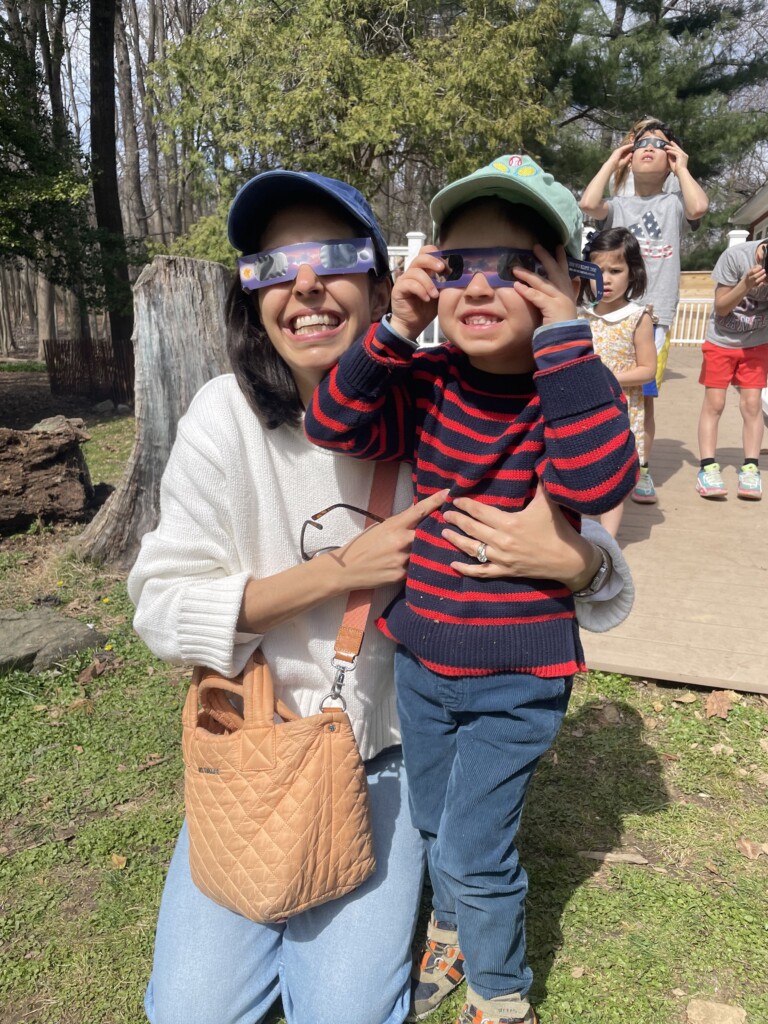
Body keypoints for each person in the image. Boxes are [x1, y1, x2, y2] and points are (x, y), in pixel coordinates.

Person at [127, 167, 635, 1024]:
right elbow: (161, 610)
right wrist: (335, 574)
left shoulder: (431, 396)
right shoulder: (226, 419)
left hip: (391, 751)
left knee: (351, 1011)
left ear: (375, 272)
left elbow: (593, 546)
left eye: (332, 257)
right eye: (273, 268)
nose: (306, 286)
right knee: (192, 1012)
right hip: (262, 749)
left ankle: (476, 952)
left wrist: (578, 563)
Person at [305, 154, 639, 1024]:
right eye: (457, 268)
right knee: (431, 822)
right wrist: (392, 330)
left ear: (564, 286)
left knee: (474, 844)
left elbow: (600, 480)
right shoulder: (428, 381)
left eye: (515, 268)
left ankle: (501, 991)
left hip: (518, 676)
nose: (478, 286)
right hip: (422, 659)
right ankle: (449, 927)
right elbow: (331, 422)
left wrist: (568, 343)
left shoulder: (568, 391)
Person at [580, 118, 709, 504]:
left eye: (660, 144)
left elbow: (699, 205)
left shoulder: (674, 203)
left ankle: (641, 467)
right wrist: (611, 161)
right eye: (641, 144)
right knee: (601, 383)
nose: (649, 148)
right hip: (610, 310)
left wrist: (682, 167)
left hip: (655, 312)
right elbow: (588, 203)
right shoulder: (618, 205)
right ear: (628, 157)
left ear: (671, 158)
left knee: (642, 394)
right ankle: (598, 455)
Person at [579, 228, 657, 535]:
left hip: (619, 410)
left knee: (612, 476)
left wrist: (608, 377)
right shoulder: (579, 316)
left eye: (615, 270)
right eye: (597, 271)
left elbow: (647, 369)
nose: (605, 279)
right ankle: (576, 537)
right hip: (584, 409)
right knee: (580, 467)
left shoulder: (639, 318)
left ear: (632, 273)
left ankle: (608, 544)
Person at [695, 237, 768, 500]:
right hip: (721, 341)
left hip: (757, 342)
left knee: (751, 405)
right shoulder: (736, 257)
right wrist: (746, 285)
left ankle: (750, 467)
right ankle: (707, 468)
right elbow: (722, 307)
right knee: (715, 403)